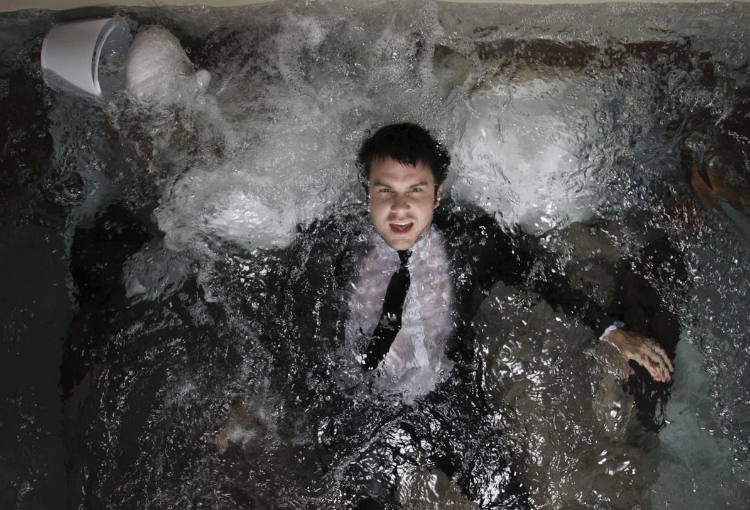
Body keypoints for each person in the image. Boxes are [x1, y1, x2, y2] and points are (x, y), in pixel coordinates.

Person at [269, 122, 676, 509]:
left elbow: (542, 278)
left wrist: (610, 331)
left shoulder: (473, 239)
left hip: (446, 395)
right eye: (385, 190)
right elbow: (290, 320)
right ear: (367, 194)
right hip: (363, 402)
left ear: (438, 194)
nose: (399, 208)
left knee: (509, 501)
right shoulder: (333, 247)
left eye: (416, 190)